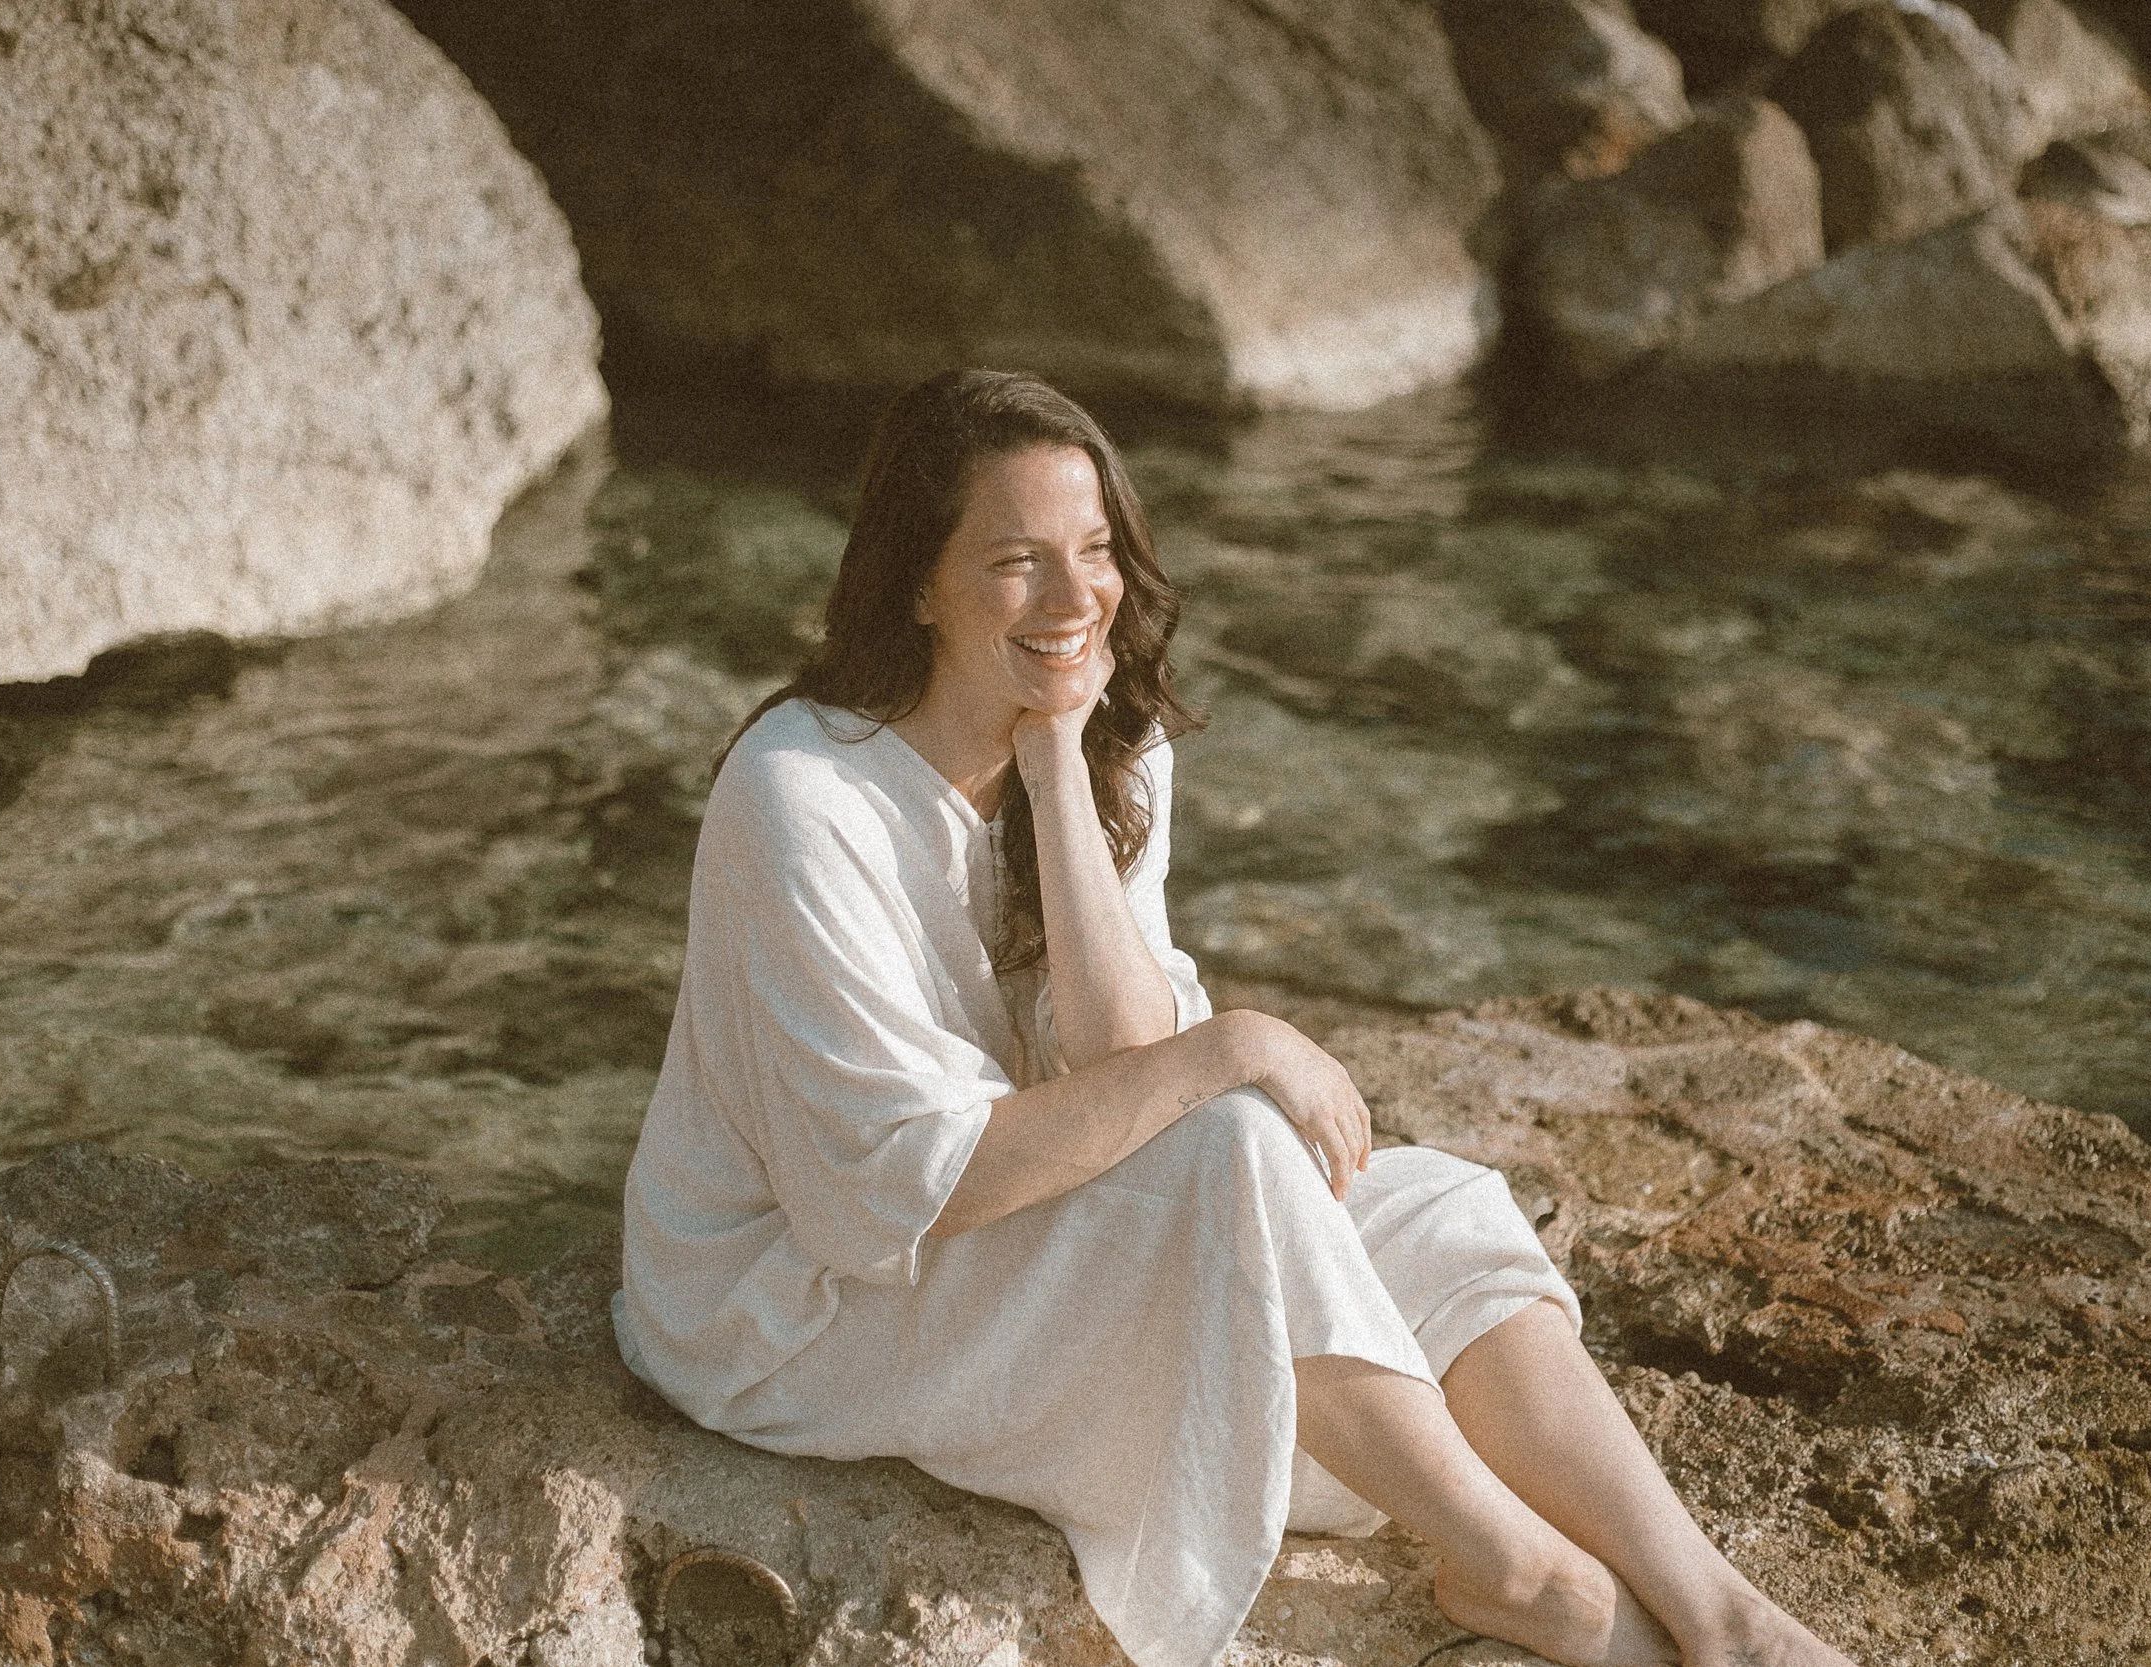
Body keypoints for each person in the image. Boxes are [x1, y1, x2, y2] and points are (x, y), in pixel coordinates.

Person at [613, 368, 1858, 1667]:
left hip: (1002, 1225)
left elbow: (1120, 1061)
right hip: (796, 1301)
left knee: (1431, 1211)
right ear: (916, 581)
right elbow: (896, 1182)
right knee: (1238, 1143)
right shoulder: (799, 794)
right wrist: (1244, 1043)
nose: (1073, 595)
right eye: (1015, 561)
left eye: (1093, 551)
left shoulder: (1109, 745)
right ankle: (1513, 1562)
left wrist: (1052, 763)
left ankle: (1723, 1615)